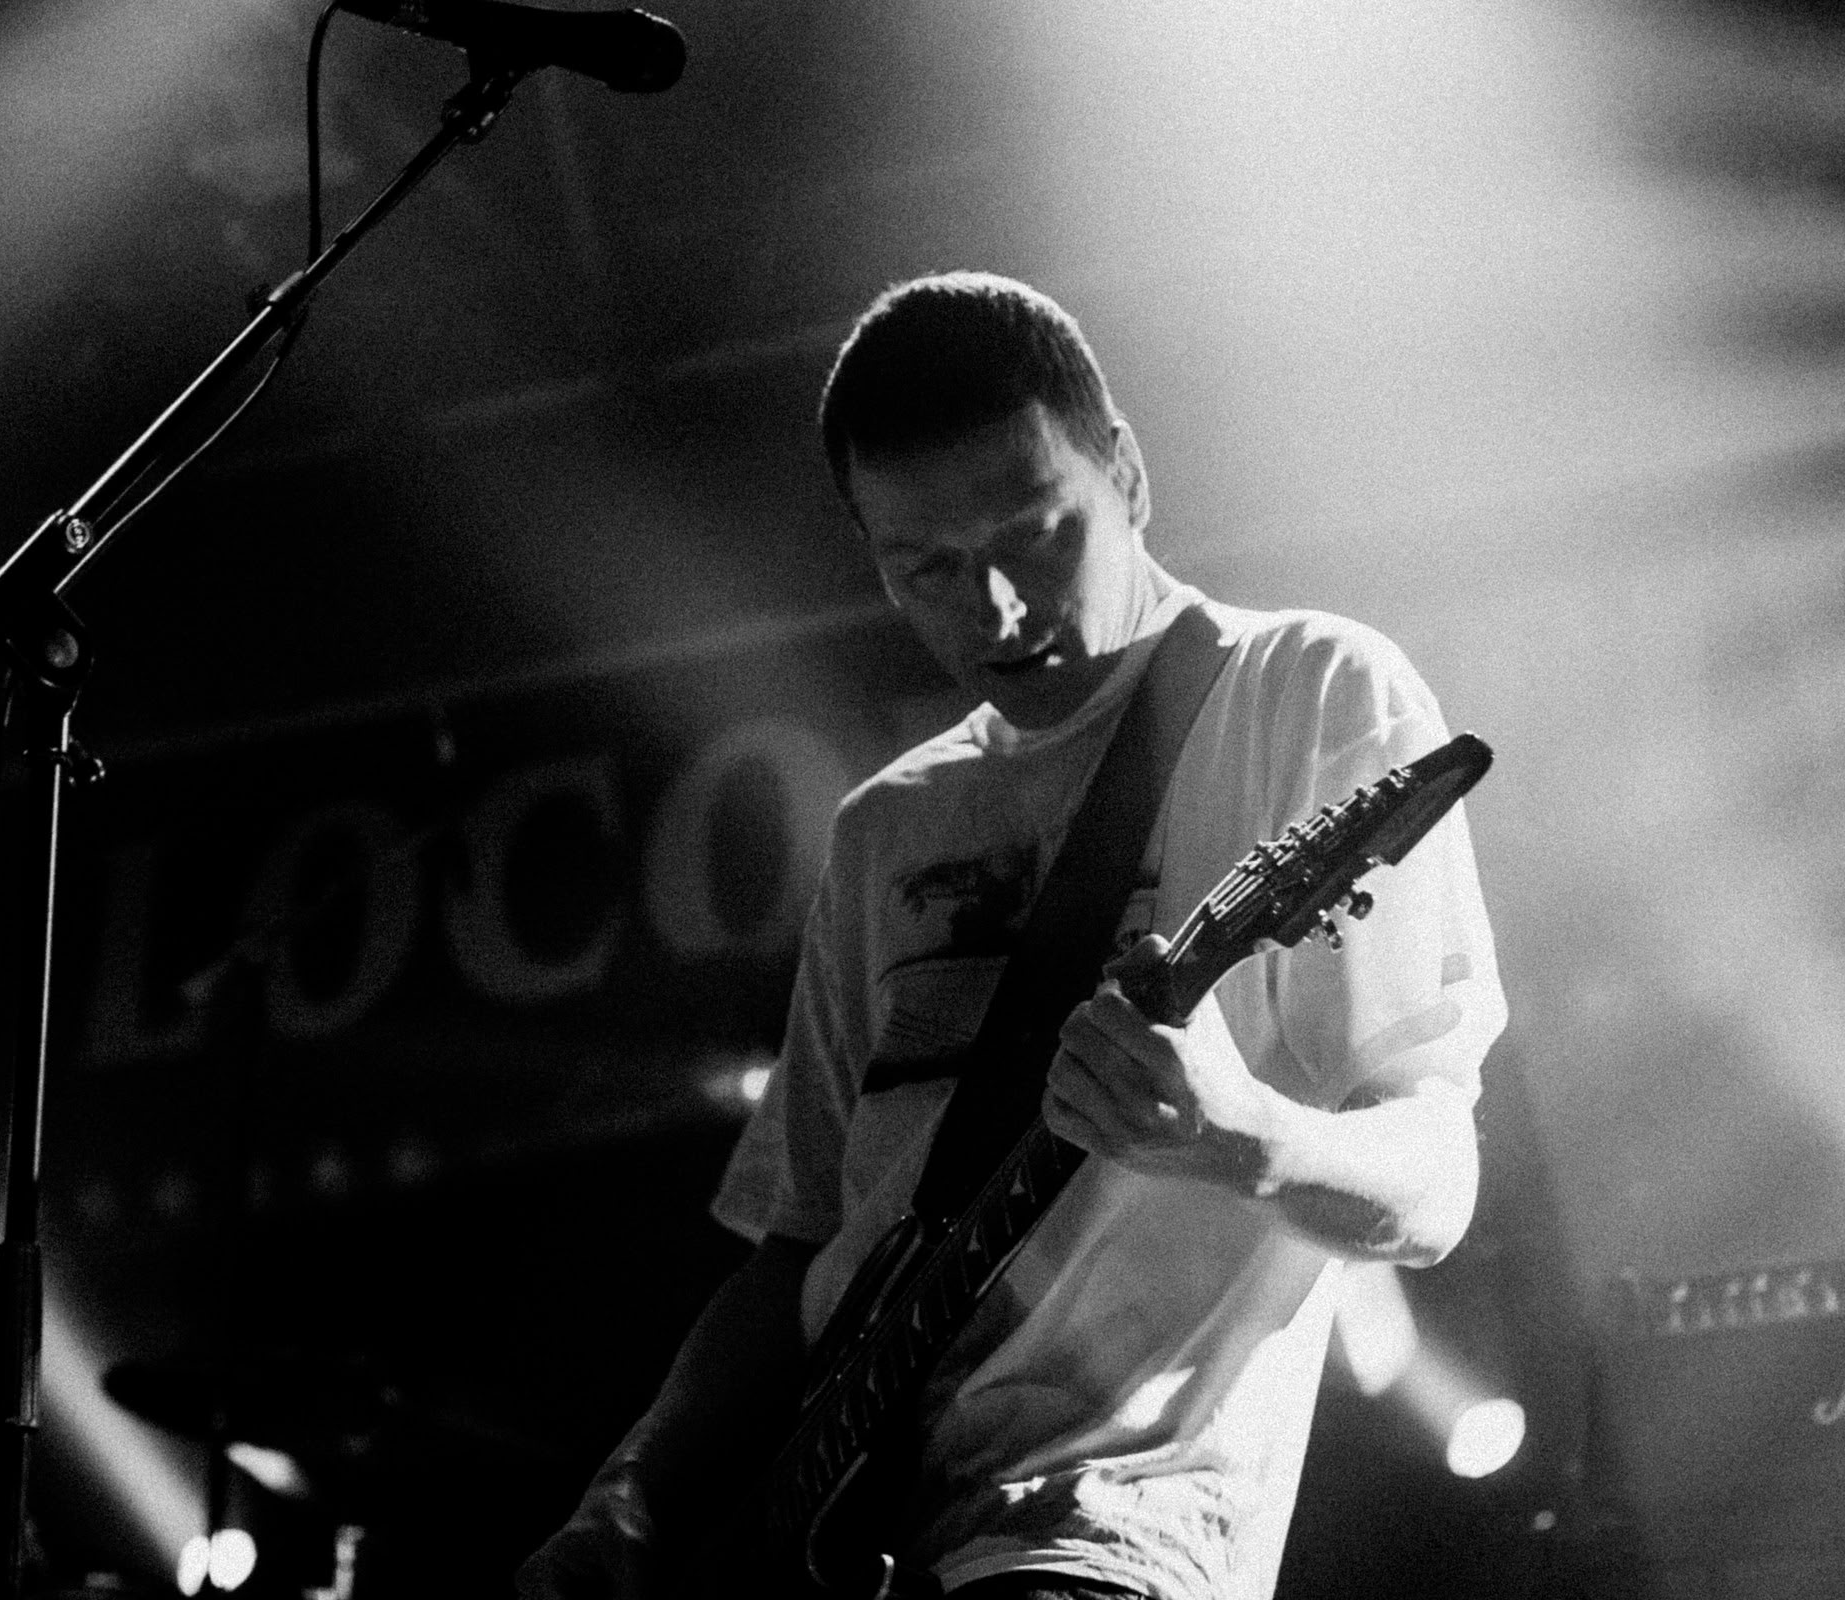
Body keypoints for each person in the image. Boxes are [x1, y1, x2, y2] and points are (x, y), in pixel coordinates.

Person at [514, 272, 1505, 1600]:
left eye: (1037, 534)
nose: (991, 611)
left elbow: (1437, 1179)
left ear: (1129, 477)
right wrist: (629, 1502)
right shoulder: (885, 831)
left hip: (1099, 1528)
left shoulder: (1304, 693)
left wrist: (1246, 1140)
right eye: (922, 567)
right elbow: (800, 1246)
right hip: (845, 1533)